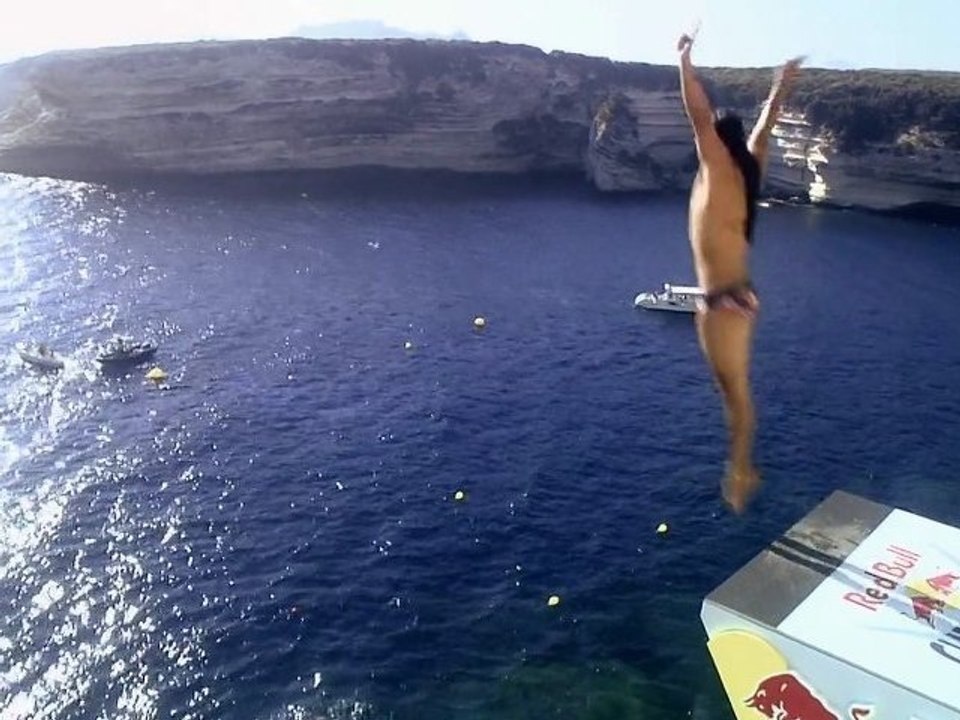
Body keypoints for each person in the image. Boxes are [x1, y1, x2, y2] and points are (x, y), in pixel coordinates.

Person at [676, 30, 802, 513]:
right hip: (738, 296)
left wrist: (683, 59)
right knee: (734, 394)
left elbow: (697, 114)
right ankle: (742, 463)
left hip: (722, 300)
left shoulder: (719, 169)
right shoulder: (748, 171)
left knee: (737, 401)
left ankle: (741, 469)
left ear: (717, 145)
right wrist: (780, 84)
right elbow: (766, 127)